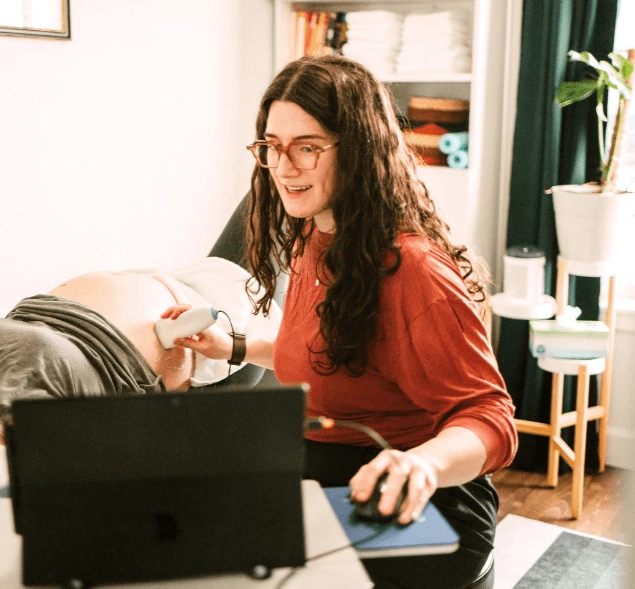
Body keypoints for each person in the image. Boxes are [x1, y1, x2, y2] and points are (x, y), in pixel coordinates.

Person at [166, 55, 518, 589]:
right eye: (272, 147)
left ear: (358, 150)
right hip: (337, 472)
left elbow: (491, 417)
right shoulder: (318, 235)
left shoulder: (413, 270)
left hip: (422, 503)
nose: (284, 167)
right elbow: (328, 352)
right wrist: (233, 346)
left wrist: (419, 465)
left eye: (307, 146)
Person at [0, 263, 278, 448]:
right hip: (219, 344)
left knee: (285, 182)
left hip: (171, 279)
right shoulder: (6, 435)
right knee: (293, 195)